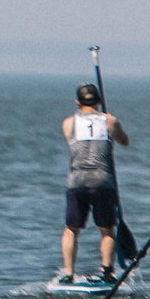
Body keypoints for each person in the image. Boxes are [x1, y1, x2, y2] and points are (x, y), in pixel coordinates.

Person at [58, 82, 130, 283]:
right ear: (98, 101)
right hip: (103, 181)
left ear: (77, 102)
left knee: (71, 229)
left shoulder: (68, 123)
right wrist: (112, 124)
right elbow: (124, 141)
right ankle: (107, 272)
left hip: (77, 181)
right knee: (107, 230)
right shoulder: (110, 122)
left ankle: (68, 273)